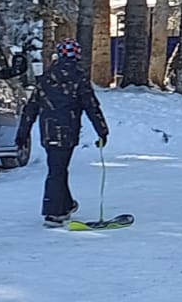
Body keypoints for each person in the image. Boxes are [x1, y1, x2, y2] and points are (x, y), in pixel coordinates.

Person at [16, 40, 110, 228]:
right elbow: (92, 106)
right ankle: (53, 213)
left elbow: (31, 108)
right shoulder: (79, 78)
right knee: (57, 170)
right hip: (68, 132)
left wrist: (22, 133)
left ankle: (66, 205)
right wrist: (102, 131)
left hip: (49, 131)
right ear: (76, 55)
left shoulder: (46, 78)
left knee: (57, 168)